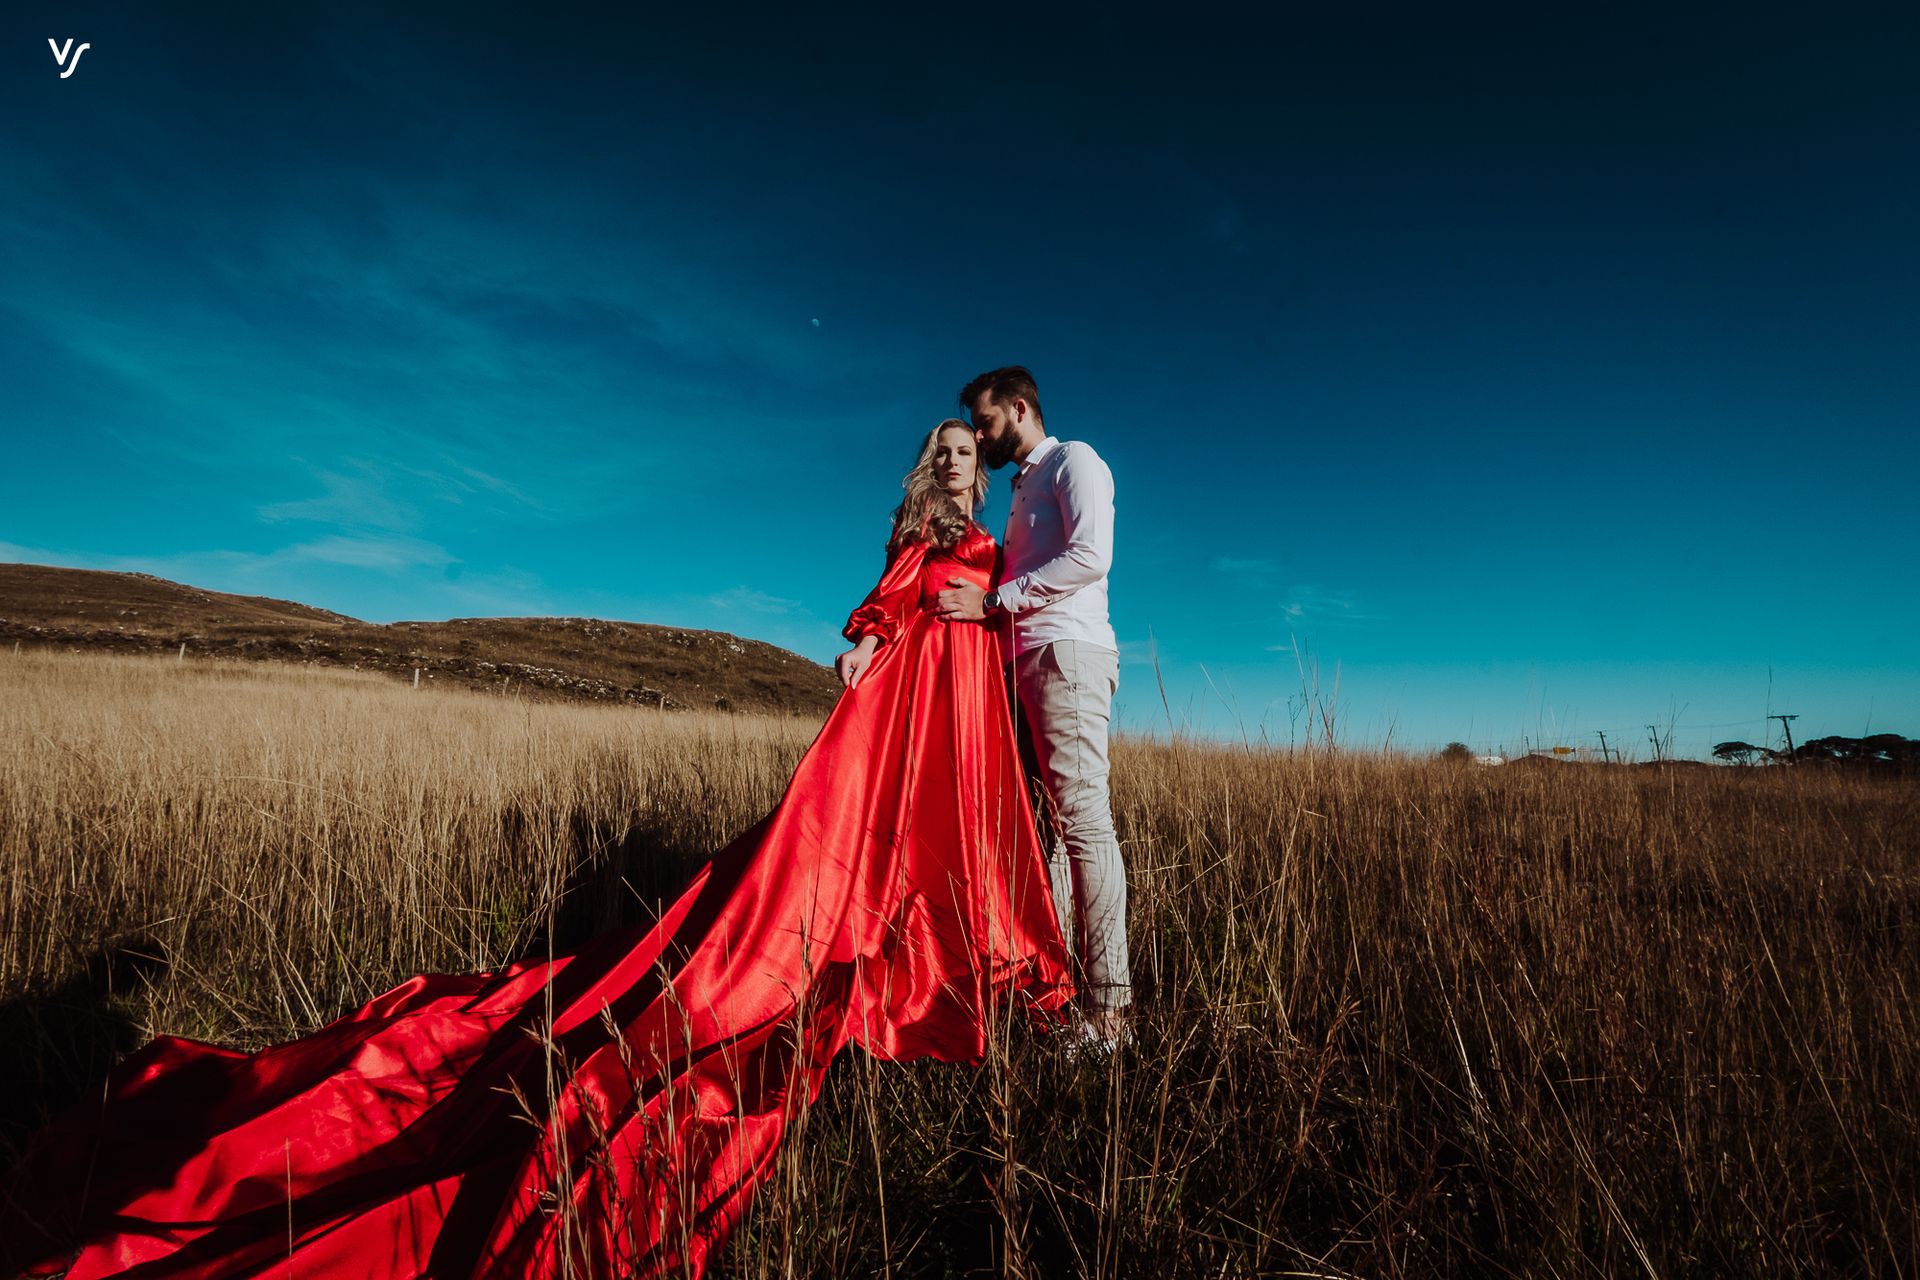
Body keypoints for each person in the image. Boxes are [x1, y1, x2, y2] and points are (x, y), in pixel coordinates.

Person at [0, 420, 1074, 1280]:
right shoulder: (916, 539)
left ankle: (969, 959)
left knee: (958, 850)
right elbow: (883, 614)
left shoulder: (1000, 541)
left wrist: (991, 618)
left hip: (961, 717)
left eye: (964, 453)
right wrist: (866, 647)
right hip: (899, 717)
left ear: (984, 469)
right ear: (924, 468)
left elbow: (1019, 612)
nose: (951, 462)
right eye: (940, 450)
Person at [935, 366, 1132, 1050]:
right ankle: (1056, 983)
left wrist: (993, 602)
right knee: (1041, 831)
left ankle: (1109, 1017)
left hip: (1067, 658)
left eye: (984, 422)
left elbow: (1091, 556)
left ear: (1020, 408)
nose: (980, 436)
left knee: (1083, 825)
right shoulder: (1022, 490)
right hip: (1022, 667)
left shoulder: (1073, 461)